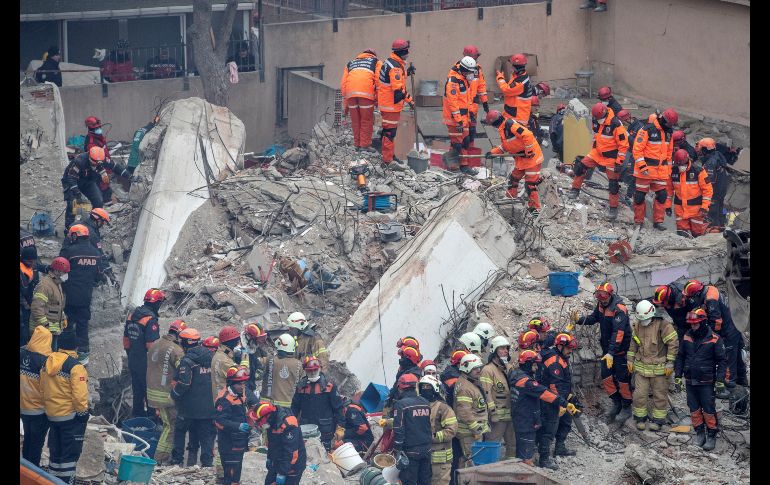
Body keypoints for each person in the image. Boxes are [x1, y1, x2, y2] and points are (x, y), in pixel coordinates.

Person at [570, 282, 633, 422]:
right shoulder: (601, 306)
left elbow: (618, 333)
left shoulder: (619, 309)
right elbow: (593, 318)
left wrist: (611, 352)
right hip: (607, 352)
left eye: (603, 296)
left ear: (610, 295)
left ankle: (627, 406)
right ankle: (617, 403)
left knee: (623, 380)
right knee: (606, 377)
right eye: (598, 296)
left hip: (620, 352)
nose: (601, 299)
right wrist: (579, 320)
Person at [508, 350, 574, 468]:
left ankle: (524, 468)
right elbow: (543, 392)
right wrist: (564, 403)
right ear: (528, 364)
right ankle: (525, 473)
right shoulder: (525, 382)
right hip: (525, 419)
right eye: (534, 364)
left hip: (523, 416)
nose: (537, 367)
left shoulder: (517, 375)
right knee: (526, 450)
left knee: (525, 446)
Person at [40, 331, 89, 484]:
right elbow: (79, 395)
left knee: (56, 452)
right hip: (70, 417)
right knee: (69, 454)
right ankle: (66, 481)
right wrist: (83, 413)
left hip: (51, 415)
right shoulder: (75, 367)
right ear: (75, 347)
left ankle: (53, 480)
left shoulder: (47, 362)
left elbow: (42, 387)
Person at [674, 308, 727, 451]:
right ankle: (699, 433)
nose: (693, 326)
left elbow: (722, 361)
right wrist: (678, 375)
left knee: (708, 409)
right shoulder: (687, 336)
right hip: (690, 379)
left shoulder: (714, 338)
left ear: (703, 322)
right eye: (691, 324)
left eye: (695, 324)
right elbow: (680, 357)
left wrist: (720, 380)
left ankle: (711, 435)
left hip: (706, 381)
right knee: (694, 408)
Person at [682, 280, 747, 394]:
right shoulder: (709, 290)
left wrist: (710, 337)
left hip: (728, 330)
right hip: (734, 323)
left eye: (691, 297)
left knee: (727, 358)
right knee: (736, 356)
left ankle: (729, 386)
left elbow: (716, 321)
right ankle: (742, 381)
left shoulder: (711, 299)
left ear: (696, 294)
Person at [569, 103, 629, 221]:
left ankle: (613, 208)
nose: (598, 121)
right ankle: (574, 190)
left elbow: (623, 144)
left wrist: (619, 162)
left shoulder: (616, 124)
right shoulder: (596, 120)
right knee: (581, 167)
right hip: (597, 153)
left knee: (613, 184)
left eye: (599, 119)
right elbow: (594, 134)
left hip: (612, 157)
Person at [627, 300, 679, 431]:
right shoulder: (638, 325)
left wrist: (670, 363)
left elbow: (673, 344)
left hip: (659, 369)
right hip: (641, 368)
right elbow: (633, 343)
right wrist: (630, 359)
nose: (643, 322)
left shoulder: (663, 325)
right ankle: (640, 418)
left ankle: (658, 420)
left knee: (659, 395)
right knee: (639, 395)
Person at [484, 110, 545, 216]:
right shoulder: (502, 129)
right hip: (521, 159)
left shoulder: (510, 124)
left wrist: (529, 151)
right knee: (513, 179)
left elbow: (528, 135)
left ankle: (535, 210)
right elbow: (505, 146)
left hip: (532, 158)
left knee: (530, 185)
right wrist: (493, 153)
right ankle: (510, 199)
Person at [172, 328, 216, 467]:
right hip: (208, 407)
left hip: (188, 408)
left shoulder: (187, 360)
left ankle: (177, 461)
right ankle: (207, 465)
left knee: (180, 431)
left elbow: (184, 383)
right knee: (206, 437)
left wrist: (174, 395)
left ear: (186, 343)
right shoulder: (211, 357)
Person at [59, 224, 104, 363]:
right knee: (83, 325)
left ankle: (65, 352)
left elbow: (59, 268)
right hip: (86, 297)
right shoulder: (96, 253)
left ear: (75, 235)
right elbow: (99, 276)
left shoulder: (69, 251)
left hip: (70, 296)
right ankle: (83, 355)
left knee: (67, 324)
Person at [146, 319, 187, 464]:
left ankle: (160, 457)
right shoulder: (176, 350)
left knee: (165, 424)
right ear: (179, 335)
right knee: (171, 426)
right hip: (166, 395)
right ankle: (160, 459)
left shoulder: (155, 344)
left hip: (152, 393)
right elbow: (183, 372)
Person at [632, 109, 679, 230]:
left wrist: (668, 170)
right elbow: (637, 149)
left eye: (672, 125)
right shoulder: (647, 130)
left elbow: (669, 154)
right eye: (669, 124)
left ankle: (658, 221)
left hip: (660, 171)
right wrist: (642, 165)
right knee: (639, 196)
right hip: (645, 171)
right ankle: (638, 221)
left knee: (662, 195)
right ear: (664, 120)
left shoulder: (669, 133)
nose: (670, 126)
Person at [61, 146, 129, 230]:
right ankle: (69, 228)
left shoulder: (102, 160)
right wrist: (77, 193)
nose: (96, 165)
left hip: (88, 181)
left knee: (98, 201)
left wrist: (130, 176)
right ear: (90, 157)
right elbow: (71, 178)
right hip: (71, 181)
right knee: (73, 203)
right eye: (94, 163)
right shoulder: (80, 161)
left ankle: (93, 224)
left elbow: (115, 167)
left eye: (98, 164)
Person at [124, 288, 164, 417]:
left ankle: (137, 418)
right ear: (157, 303)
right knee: (149, 393)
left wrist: (130, 354)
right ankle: (152, 420)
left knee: (137, 392)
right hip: (145, 363)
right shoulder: (150, 319)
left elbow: (126, 340)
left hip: (133, 359)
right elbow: (151, 345)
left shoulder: (132, 315)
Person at [291, 356, 345, 450]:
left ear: (320, 368)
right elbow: (295, 408)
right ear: (305, 370)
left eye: (315, 370)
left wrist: (340, 427)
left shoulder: (329, 386)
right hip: (306, 428)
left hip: (325, 429)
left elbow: (338, 408)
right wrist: (290, 423)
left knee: (325, 452)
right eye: (309, 370)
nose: (312, 372)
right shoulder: (301, 387)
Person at [540, 333, 579, 459]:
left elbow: (563, 382)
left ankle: (560, 447)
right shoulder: (555, 361)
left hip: (562, 398)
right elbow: (554, 386)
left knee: (566, 422)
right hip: (551, 400)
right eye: (569, 348)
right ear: (560, 346)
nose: (570, 351)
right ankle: (544, 458)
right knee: (550, 428)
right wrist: (561, 402)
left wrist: (568, 397)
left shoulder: (562, 357)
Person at [249, 401, 307, 484]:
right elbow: (272, 444)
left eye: (259, 421)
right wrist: (270, 458)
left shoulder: (288, 424)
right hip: (277, 461)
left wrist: (282, 473)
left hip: (293, 465)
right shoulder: (271, 421)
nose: (258, 424)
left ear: (267, 416)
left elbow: (291, 452)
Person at [214, 366, 254, 485]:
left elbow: (253, 403)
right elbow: (219, 421)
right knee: (230, 476)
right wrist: (238, 426)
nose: (242, 386)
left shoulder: (241, 393)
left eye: (244, 383)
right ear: (231, 383)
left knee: (236, 474)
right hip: (228, 444)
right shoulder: (224, 399)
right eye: (239, 384)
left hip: (239, 442)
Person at [20, 325, 53, 467]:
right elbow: (49, 389)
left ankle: (25, 469)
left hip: (23, 408)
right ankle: (32, 473)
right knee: (36, 445)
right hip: (39, 411)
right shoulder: (45, 362)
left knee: (28, 439)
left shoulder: (21, 354)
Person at [378, 39, 413, 170]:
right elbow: (398, 90)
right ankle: (388, 160)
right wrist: (410, 101)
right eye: (407, 51)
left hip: (388, 103)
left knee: (390, 131)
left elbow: (394, 79)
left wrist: (407, 73)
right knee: (389, 132)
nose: (408, 53)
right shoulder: (395, 67)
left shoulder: (392, 63)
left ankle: (390, 155)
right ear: (402, 52)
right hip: (390, 105)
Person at [392, 373, 433, 485]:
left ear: (400, 387)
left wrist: (396, 449)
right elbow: (428, 424)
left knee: (409, 481)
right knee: (425, 480)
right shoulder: (425, 402)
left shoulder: (400, 405)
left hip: (410, 451)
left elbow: (398, 428)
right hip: (427, 448)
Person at [479, 336, 515, 460]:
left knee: (513, 445)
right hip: (497, 418)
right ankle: (489, 470)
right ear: (494, 351)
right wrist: (492, 413)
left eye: (507, 348)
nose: (506, 351)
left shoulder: (509, 368)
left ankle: (510, 471)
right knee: (492, 445)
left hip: (511, 415)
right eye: (502, 348)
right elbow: (486, 393)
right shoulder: (488, 370)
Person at [443, 56, 479, 176]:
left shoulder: (463, 79)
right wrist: (458, 120)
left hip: (464, 118)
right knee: (457, 144)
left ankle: (462, 166)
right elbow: (452, 102)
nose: (471, 74)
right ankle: (455, 167)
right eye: (469, 71)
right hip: (455, 119)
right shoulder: (454, 81)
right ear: (464, 70)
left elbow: (465, 100)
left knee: (464, 142)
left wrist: (470, 115)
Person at [419, 375, 456, 485]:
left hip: (441, 460)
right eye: (423, 387)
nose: (425, 390)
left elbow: (451, 431)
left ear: (435, 389)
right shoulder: (417, 406)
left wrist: (431, 437)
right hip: (424, 458)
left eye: (428, 387)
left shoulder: (443, 408)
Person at [452, 353, 489, 467]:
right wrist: (476, 429)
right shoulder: (465, 387)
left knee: (469, 459)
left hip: (473, 432)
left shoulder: (469, 382)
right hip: (470, 433)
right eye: (475, 368)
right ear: (467, 368)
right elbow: (464, 412)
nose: (478, 370)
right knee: (471, 461)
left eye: (479, 367)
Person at [341, 49, 381, 152]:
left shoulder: (350, 63)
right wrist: (377, 99)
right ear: (373, 55)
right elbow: (378, 81)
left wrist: (346, 104)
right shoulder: (376, 62)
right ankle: (365, 145)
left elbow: (343, 84)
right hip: (366, 93)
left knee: (356, 120)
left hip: (350, 94)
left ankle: (357, 145)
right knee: (366, 120)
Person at [667, 149, 713, 238]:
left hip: (696, 209)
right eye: (678, 164)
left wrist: (705, 207)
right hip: (680, 208)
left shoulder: (698, 171)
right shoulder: (673, 172)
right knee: (682, 234)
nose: (680, 166)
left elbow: (707, 189)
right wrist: (667, 206)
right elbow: (669, 190)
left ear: (687, 159)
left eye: (682, 163)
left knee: (697, 234)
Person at [438, 349, 467, 485]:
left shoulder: (449, 374)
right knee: (456, 456)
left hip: (449, 420)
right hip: (454, 421)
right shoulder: (455, 380)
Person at [30, 257, 69, 350]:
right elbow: (37, 308)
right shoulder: (45, 285)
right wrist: (46, 324)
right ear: (57, 272)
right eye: (65, 272)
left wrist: (63, 317)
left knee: (51, 357)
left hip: (52, 331)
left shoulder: (57, 283)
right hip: (42, 332)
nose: (66, 275)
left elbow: (56, 304)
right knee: (43, 358)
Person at [259, 333, 303, 409]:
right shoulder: (299, 364)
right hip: (287, 407)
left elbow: (254, 364)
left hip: (266, 406)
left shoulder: (269, 360)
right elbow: (301, 384)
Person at [696, 137, 729, 230]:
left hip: (715, 190)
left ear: (705, 149)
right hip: (722, 188)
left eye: (701, 148)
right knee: (720, 208)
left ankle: (714, 229)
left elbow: (709, 182)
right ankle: (721, 226)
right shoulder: (718, 155)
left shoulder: (710, 163)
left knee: (713, 210)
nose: (700, 150)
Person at [460, 45, 489, 148]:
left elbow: (481, 85)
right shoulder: (459, 68)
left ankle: (471, 153)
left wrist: (485, 102)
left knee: (472, 132)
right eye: (475, 57)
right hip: (462, 105)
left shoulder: (478, 68)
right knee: (462, 134)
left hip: (473, 104)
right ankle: (462, 155)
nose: (476, 59)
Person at [616, 109, 645, 205]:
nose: (623, 124)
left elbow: (637, 144)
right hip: (628, 151)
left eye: (624, 122)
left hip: (636, 154)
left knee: (633, 174)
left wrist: (628, 136)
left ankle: (629, 196)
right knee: (622, 168)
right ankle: (618, 187)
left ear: (628, 119)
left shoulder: (640, 128)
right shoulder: (630, 126)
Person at [496, 54, 534, 124]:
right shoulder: (520, 76)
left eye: (512, 65)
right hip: (514, 113)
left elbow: (506, 90)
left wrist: (500, 77)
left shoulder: (520, 83)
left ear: (516, 67)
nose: (511, 67)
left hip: (517, 119)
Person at [20, 246, 40, 346]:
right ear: (25, 260)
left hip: (29, 302)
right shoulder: (21, 271)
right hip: (23, 305)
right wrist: (26, 304)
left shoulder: (30, 267)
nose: (33, 264)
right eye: (31, 262)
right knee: (23, 327)